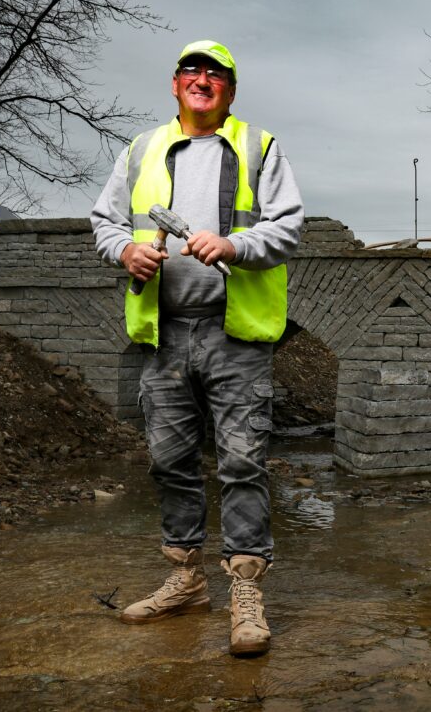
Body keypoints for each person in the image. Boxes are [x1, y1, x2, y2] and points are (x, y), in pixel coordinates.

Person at [90, 40, 304, 657]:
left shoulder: (259, 146)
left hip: (235, 333)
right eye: (192, 70)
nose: (203, 79)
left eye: (216, 73)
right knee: (169, 461)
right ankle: (187, 579)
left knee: (242, 463)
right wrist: (125, 251)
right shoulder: (140, 149)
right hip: (164, 334)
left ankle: (245, 591)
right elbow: (104, 221)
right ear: (175, 83)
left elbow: (288, 225)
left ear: (230, 90)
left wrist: (236, 247)